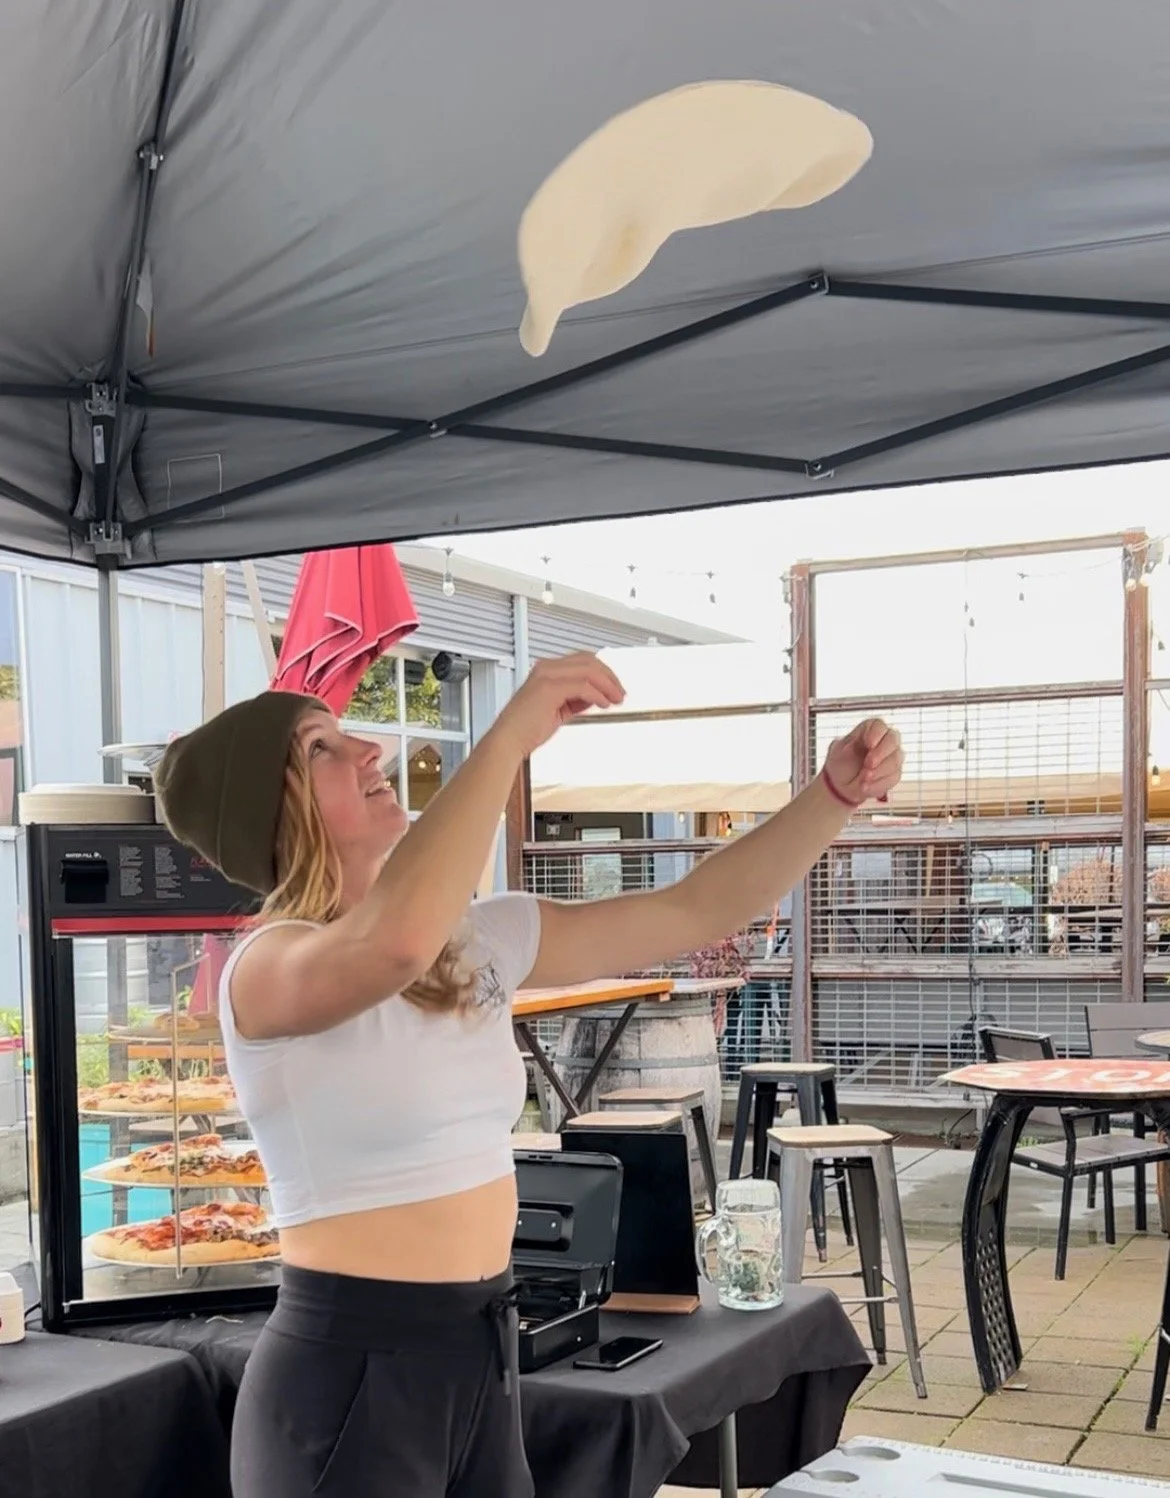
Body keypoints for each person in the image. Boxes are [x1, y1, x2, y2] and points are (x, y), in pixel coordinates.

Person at [153, 651, 902, 1498]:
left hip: (483, 1355)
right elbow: (392, 944)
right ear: (274, 810)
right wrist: (506, 736)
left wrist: (831, 797)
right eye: (321, 747)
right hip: (348, 1373)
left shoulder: (477, 941)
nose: (370, 749)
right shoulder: (266, 969)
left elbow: (694, 909)